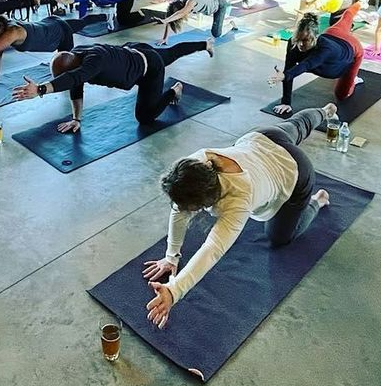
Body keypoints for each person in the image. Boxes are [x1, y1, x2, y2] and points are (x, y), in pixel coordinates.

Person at [142, 103, 338, 328]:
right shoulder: (195, 165)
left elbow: (213, 249)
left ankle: (316, 202)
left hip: (296, 170)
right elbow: (179, 209)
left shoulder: (238, 200)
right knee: (298, 125)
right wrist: (171, 256)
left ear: (208, 201)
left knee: (279, 238)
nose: (180, 209)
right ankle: (325, 111)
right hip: (263, 138)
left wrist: (175, 290)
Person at [11, 39, 213, 133]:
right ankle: (205, 44)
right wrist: (76, 118)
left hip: (149, 69)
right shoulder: (77, 54)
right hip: (134, 50)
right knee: (171, 53)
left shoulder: (93, 61)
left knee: (145, 118)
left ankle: (173, 91)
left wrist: (40, 90)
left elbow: (75, 78)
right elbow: (76, 83)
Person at [0, 14, 106, 87]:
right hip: (49, 24)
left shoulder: (12, 32)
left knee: (68, 72)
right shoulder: (1, 31)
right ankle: (102, 17)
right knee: (79, 23)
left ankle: (104, 17)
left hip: (59, 33)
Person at [266, 2, 365, 115]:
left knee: (341, 95)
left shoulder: (325, 48)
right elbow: (289, 68)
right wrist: (286, 102)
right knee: (346, 17)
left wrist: (285, 75)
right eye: (298, 39)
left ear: (315, 38)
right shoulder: (293, 43)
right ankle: (359, 3)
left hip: (352, 52)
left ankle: (354, 79)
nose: (301, 44)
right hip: (333, 34)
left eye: (305, 40)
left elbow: (307, 64)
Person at [154, 0, 233, 45]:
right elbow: (171, 16)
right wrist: (165, 38)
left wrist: (165, 20)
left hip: (220, 3)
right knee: (199, 7)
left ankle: (231, 24)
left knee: (216, 34)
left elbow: (182, 13)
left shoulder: (191, 2)